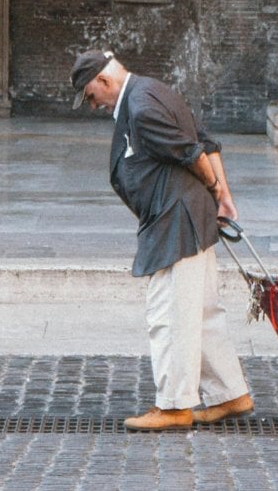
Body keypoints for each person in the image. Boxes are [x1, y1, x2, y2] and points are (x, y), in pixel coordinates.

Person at [70, 49, 254, 431]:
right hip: (186, 214)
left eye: (90, 96)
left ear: (104, 81)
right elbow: (207, 142)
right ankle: (230, 393)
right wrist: (223, 198)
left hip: (175, 219)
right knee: (201, 311)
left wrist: (217, 189)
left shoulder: (140, 106)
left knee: (169, 314)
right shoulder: (154, 90)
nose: (93, 105)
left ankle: (174, 406)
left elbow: (193, 152)